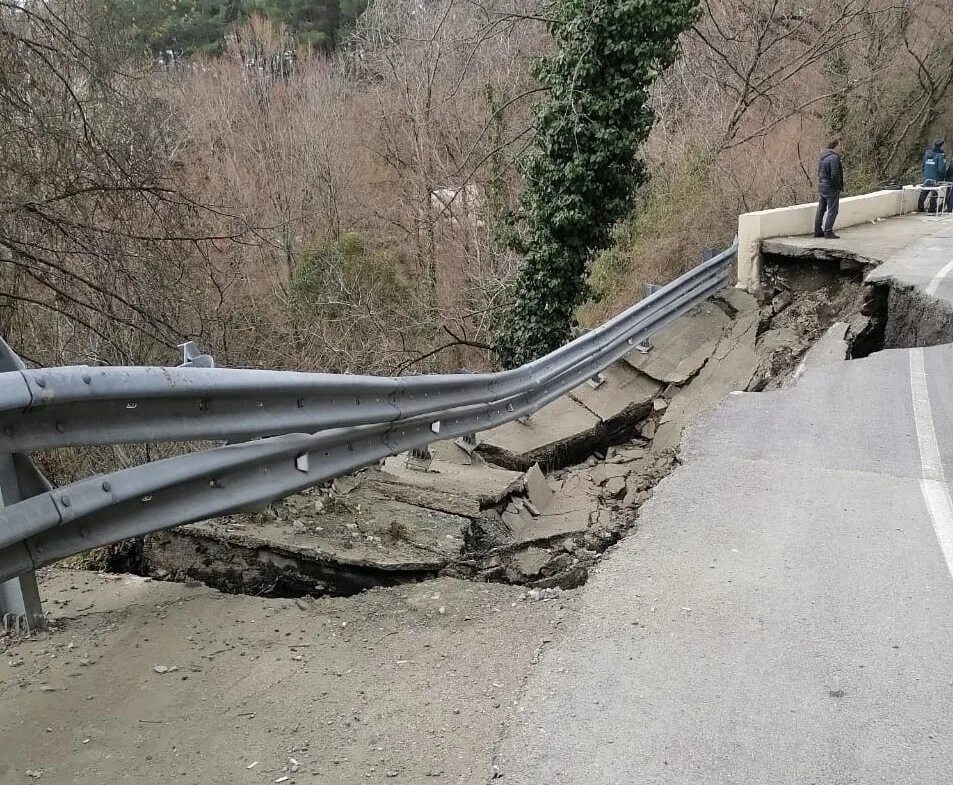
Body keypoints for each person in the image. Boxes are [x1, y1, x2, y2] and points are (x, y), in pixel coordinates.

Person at [815, 138, 844, 239]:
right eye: (840, 145)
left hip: (822, 186)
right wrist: (838, 186)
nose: (842, 147)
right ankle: (828, 232)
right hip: (831, 188)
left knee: (821, 209)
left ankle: (818, 231)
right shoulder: (834, 158)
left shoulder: (822, 157)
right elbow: (835, 174)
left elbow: (818, 172)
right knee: (833, 210)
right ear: (836, 146)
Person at [916, 137, 952, 213]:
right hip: (936, 177)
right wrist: (943, 176)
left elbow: (923, 166)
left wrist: (925, 174)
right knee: (934, 192)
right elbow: (941, 168)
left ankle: (920, 207)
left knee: (924, 191)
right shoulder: (940, 155)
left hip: (926, 176)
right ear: (940, 145)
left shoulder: (927, 153)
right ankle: (932, 208)